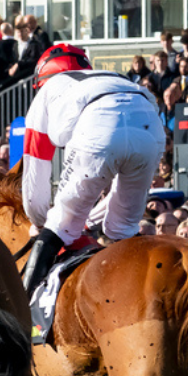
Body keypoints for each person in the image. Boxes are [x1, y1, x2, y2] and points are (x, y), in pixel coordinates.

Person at [20, 43, 165, 293]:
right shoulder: (114, 76)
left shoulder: (48, 91)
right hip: (150, 125)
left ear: (43, 77)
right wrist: (87, 219)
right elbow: (114, 198)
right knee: (123, 228)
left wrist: (42, 221)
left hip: (99, 126)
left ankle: (20, 312)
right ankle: (146, 293)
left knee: (60, 223)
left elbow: (36, 171)